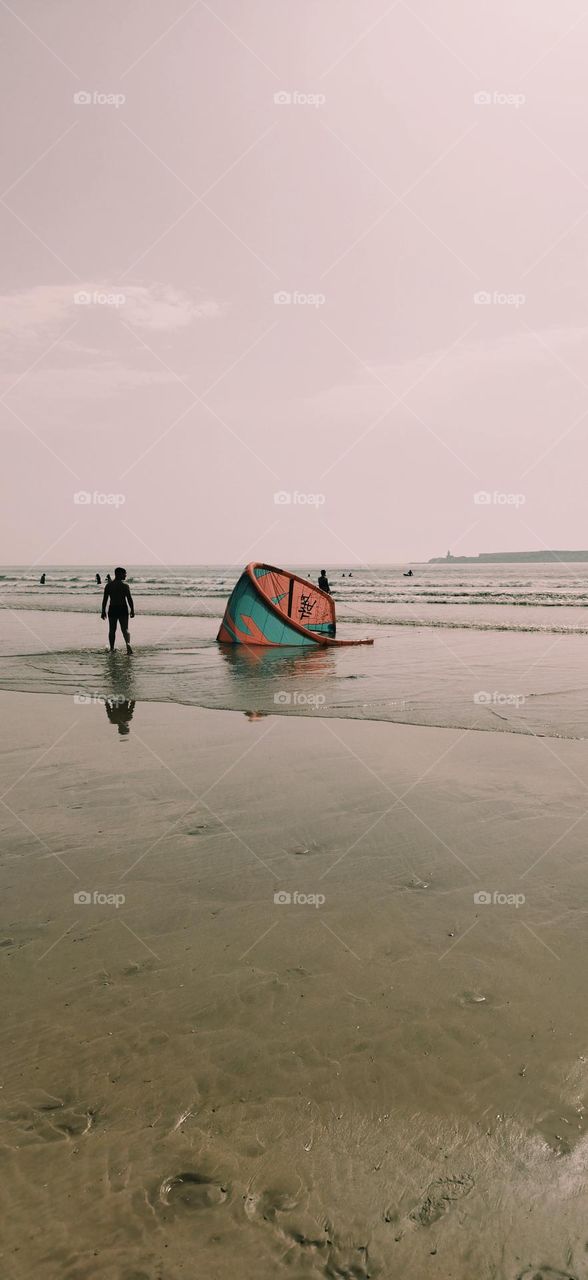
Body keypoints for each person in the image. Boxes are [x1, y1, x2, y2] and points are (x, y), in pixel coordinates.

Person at [101, 567, 134, 653]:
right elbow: (129, 599)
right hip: (123, 608)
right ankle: (128, 645)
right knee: (125, 629)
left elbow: (105, 600)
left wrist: (103, 611)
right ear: (119, 574)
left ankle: (111, 648)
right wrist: (132, 610)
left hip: (113, 609)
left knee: (112, 630)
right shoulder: (125, 586)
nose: (125, 575)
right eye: (124, 573)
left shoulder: (109, 586)